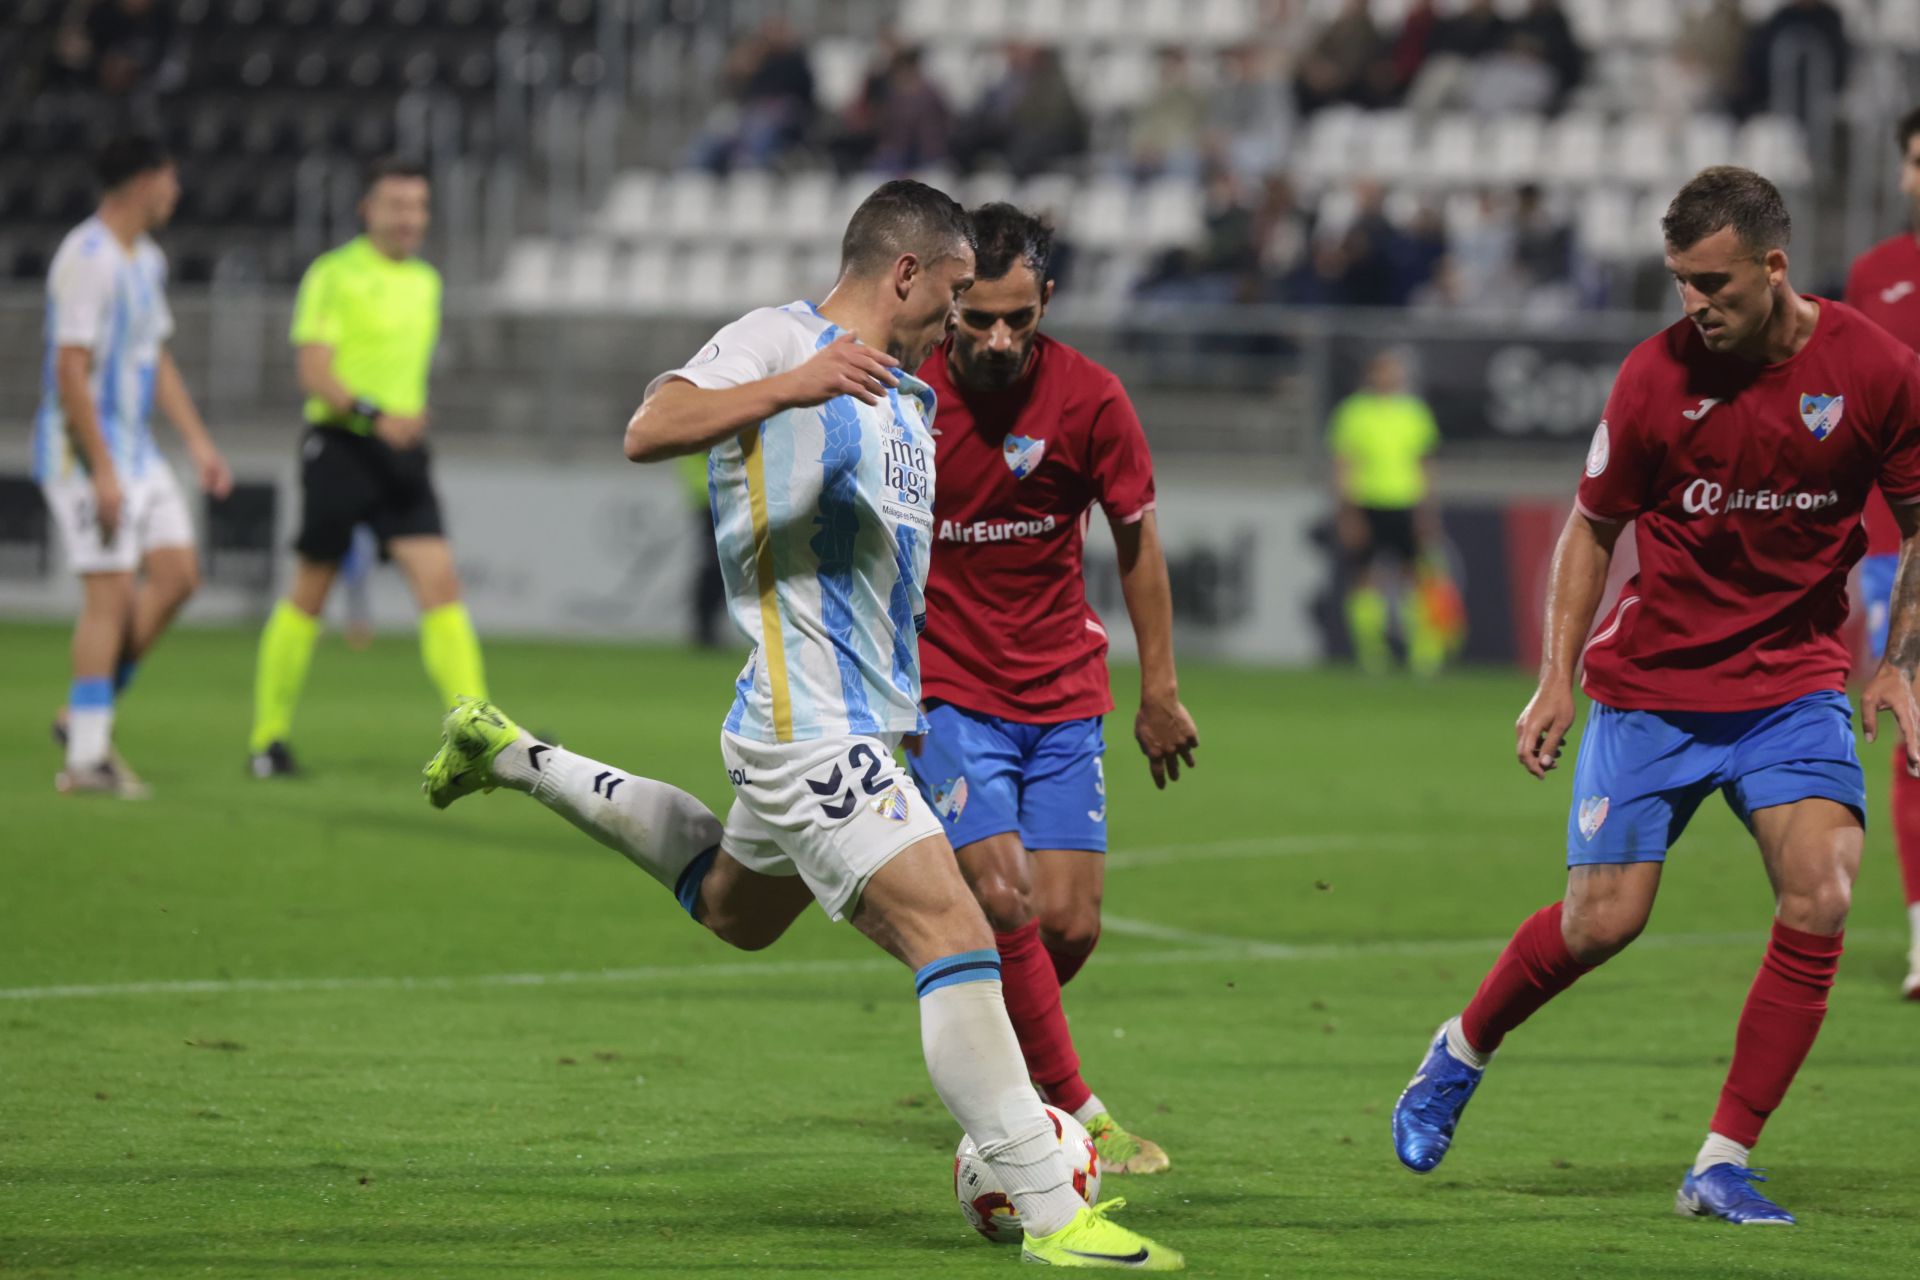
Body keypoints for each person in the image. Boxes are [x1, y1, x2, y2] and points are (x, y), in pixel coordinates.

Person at [417, 180, 1184, 1270]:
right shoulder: (779, 338)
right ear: (907, 274)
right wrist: (793, 382)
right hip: (809, 724)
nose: (963, 322)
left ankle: (514, 754)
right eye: (956, 295)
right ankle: (1057, 1215)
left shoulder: (908, 397)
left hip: (863, 725)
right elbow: (649, 428)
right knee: (956, 934)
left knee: (735, 908)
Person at [1392, 166, 1920, 1226]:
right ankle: (1459, 1047)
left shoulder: (1873, 368)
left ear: (1774, 267)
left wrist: (1901, 654)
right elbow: (1592, 526)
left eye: (1714, 282)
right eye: (1679, 280)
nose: (1695, 304)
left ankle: (1721, 1158)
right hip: (1657, 685)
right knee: (1601, 921)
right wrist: (1554, 677)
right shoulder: (1651, 379)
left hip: (1794, 677)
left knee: (1822, 887)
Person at [906, 203, 1199, 1177]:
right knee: (1006, 893)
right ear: (948, 303)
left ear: (1047, 303)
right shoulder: (904, 401)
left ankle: (979, 1032)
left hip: (1063, 688)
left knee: (1067, 921)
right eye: (977, 317)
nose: (996, 339)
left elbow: (1139, 541)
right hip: (944, 687)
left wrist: (1159, 688)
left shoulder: (1092, 399)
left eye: (1017, 319)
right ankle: (1076, 1104)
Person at [247, 157, 487, 778]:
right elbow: (314, 373)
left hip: (402, 453)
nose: (409, 218)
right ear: (368, 210)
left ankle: (478, 728)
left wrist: (406, 416)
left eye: (418, 206)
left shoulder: (427, 281)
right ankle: (267, 739)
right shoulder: (334, 274)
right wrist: (377, 412)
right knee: (311, 590)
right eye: (397, 205)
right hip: (342, 445)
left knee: (440, 583)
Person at [36, 133, 232, 796]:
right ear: (145, 181)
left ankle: (82, 716)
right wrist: (102, 470)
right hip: (82, 450)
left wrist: (199, 444)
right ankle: (87, 760)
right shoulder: (87, 256)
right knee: (112, 597)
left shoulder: (145, 259)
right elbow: (69, 367)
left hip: (137, 450)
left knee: (177, 577)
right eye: (170, 180)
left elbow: (157, 359)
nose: (175, 193)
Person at [1841, 104, 1920, 999]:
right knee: (1912, 731)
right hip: (1899, 547)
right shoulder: (1875, 277)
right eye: (1915, 160)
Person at [1328, 348, 1443, 674]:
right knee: (1365, 578)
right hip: (1367, 501)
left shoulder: (1414, 413)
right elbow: (1343, 464)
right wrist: (1347, 511)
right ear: (1371, 375)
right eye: (1382, 371)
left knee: (1415, 576)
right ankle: (1372, 651)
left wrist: (1427, 509)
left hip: (1406, 502)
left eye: (1393, 372)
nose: (1388, 378)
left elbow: (1425, 464)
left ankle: (1423, 649)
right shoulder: (1353, 413)